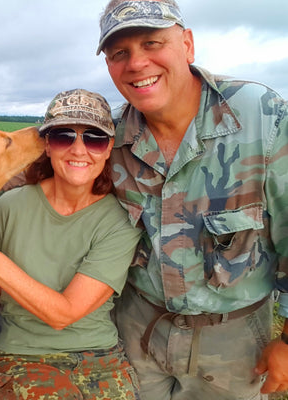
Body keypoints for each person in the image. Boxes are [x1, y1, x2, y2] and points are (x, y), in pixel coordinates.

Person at [96, 0, 288, 399]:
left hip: (234, 340)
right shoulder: (108, 137)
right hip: (136, 328)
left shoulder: (262, 116)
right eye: (119, 53)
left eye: (152, 43)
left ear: (187, 44)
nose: (136, 63)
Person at [0, 89, 142, 399]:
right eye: (63, 137)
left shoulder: (119, 220)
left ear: (109, 148)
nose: (79, 150)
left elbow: (64, 314)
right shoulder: (11, 206)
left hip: (102, 358)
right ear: (47, 145)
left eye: (94, 138)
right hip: (25, 356)